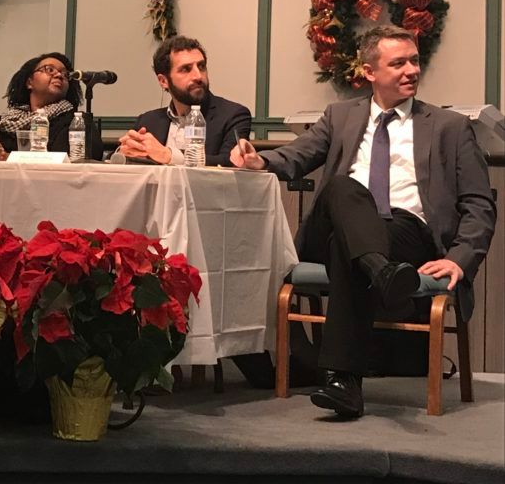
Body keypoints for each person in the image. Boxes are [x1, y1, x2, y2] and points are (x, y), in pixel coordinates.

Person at [230, 26, 496, 419]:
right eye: (398, 63)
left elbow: (479, 203)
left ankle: (344, 385)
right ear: (369, 71)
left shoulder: (449, 127)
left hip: (406, 232)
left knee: (348, 247)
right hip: (342, 220)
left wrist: (460, 257)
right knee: (341, 187)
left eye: (415, 60)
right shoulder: (340, 115)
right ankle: (381, 273)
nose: (411, 70)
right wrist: (259, 161)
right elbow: (297, 156)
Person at [119, 35, 250, 166]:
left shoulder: (233, 115)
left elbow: (230, 163)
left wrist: (169, 156)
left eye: (202, 66)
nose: (198, 76)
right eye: (186, 69)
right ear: (163, 81)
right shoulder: (148, 121)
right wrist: (125, 151)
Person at [0, 52, 101, 159]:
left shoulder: (77, 122)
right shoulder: (5, 122)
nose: (59, 75)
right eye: (49, 70)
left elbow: (68, 159)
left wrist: (9, 157)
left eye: (65, 74)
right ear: (29, 82)